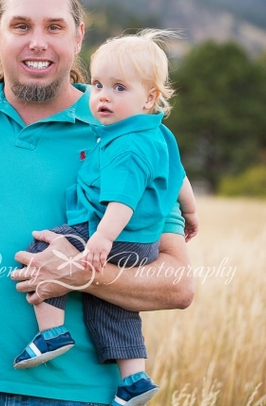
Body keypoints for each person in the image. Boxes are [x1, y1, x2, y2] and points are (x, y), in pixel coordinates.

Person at [0, 0, 194, 406]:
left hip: (81, 393)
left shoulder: (123, 132)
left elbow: (178, 284)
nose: (37, 42)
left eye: (54, 27)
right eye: (20, 26)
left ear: (78, 36)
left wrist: (80, 274)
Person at [12, 30, 200, 406]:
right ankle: (134, 378)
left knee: (45, 248)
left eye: (118, 88)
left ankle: (52, 332)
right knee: (113, 303)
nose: (102, 96)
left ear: (149, 97)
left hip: (111, 231)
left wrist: (100, 239)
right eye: (98, 85)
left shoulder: (124, 144)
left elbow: (122, 201)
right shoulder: (159, 134)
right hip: (142, 243)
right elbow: (179, 179)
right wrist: (191, 214)